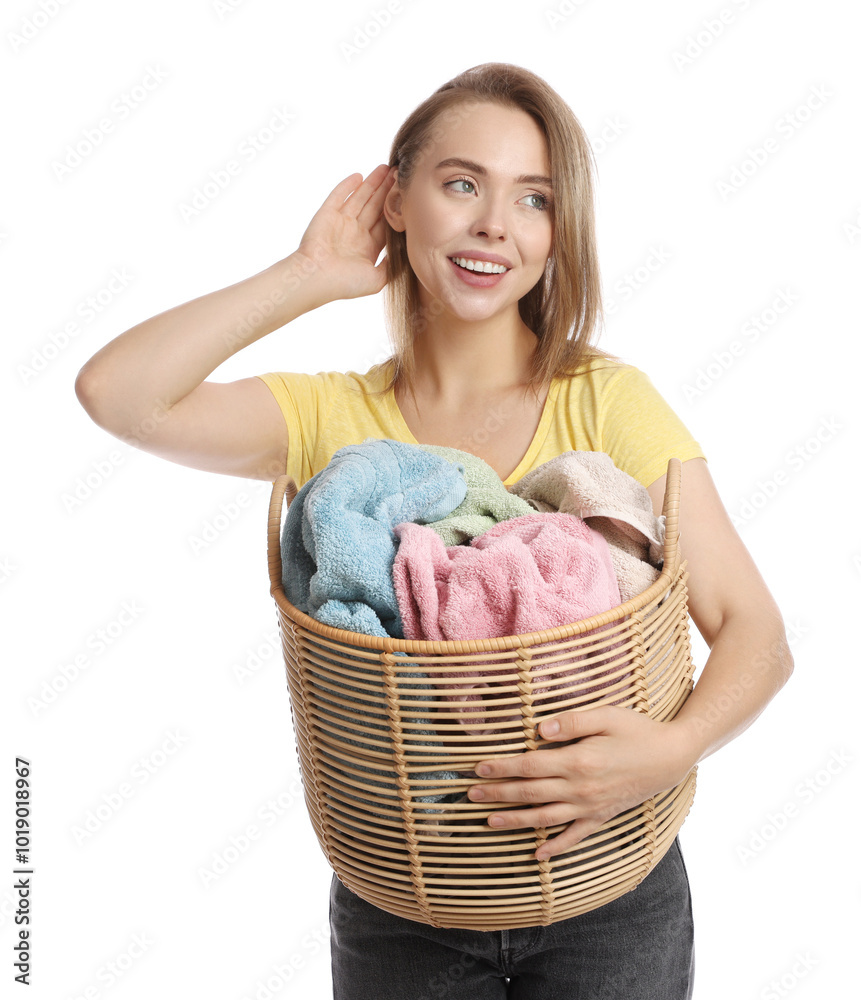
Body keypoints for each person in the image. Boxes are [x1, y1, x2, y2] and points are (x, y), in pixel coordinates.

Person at [75, 62, 793, 1000]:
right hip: (400, 901)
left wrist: (668, 750)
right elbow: (116, 394)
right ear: (397, 198)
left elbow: (758, 636)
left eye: (533, 199)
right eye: (462, 183)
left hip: (609, 885)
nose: (495, 222)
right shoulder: (329, 422)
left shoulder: (608, 402)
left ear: (554, 232)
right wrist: (308, 277)